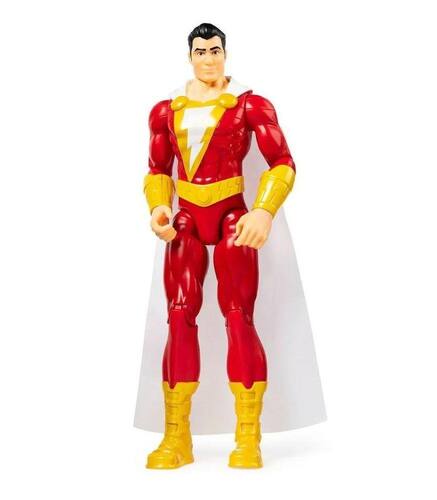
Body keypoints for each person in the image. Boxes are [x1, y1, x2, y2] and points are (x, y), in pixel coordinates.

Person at [139, 22, 323, 469]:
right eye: (201, 51)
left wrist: (263, 211)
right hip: (186, 220)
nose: (208, 58)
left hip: (231, 218)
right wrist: (159, 207)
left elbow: (282, 162)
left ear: (225, 53)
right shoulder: (165, 110)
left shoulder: (249, 104)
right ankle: (176, 436)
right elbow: (158, 169)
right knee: (178, 315)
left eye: (215, 50)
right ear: (190, 56)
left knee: (239, 315)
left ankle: (248, 435)